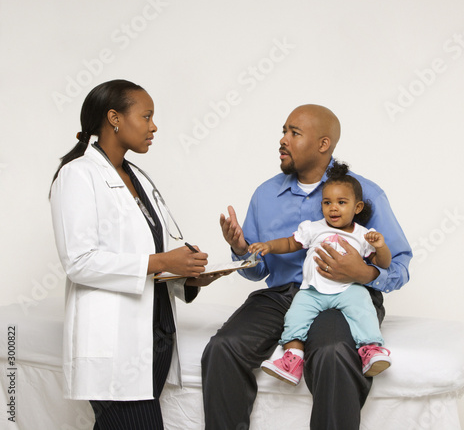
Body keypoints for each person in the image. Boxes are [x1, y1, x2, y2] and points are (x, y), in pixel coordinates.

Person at [201, 104, 412, 430]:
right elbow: (257, 270)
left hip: (345, 294)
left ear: (323, 144)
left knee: (332, 354)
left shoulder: (362, 194)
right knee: (222, 348)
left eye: (293, 133)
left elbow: (399, 263)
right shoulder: (266, 194)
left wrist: (364, 273)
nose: (283, 140)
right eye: (283, 131)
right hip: (283, 295)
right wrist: (241, 249)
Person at [50, 79, 223, 430]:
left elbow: (147, 255)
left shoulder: (136, 176)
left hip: (155, 339)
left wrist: (188, 276)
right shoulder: (78, 175)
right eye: (146, 116)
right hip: (115, 347)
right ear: (114, 118)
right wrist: (162, 262)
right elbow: (78, 262)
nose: (154, 126)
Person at [250, 161, 392, 386]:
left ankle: (370, 349)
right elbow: (289, 243)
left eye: (341, 202)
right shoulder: (314, 228)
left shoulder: (363, 235)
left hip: (348, 289)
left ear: (357, 207)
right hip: (313, 291)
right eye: (327, 202)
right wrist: (268, 246)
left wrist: (382, 246)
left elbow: (382, 264)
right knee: (294, 317)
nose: (333, 208)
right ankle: (293, 360)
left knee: (363, 307)